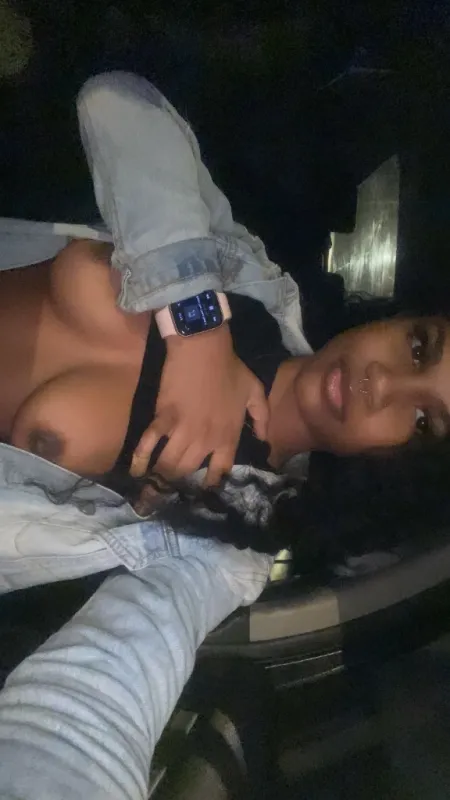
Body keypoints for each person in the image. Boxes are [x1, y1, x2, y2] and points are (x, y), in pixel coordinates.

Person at [2, 70, 450, 593]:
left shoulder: (234, 539)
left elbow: (139, 630)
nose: (383, 382)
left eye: (423, 420)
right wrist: (198, 332)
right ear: (397, 319)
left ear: (399, 466)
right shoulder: (251, 280)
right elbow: (117, 103)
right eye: (419, 348)